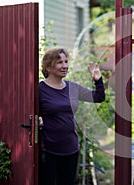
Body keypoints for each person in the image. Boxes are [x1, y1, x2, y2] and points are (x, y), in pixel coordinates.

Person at [39, 47, 105, 185]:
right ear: (48, 67)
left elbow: (98, 97)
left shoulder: (73, 88)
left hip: (71, 149)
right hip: (49, 150)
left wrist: (98, 80)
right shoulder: (40, 89)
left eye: (66, 61)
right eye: (60, 62)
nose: (65, 66)